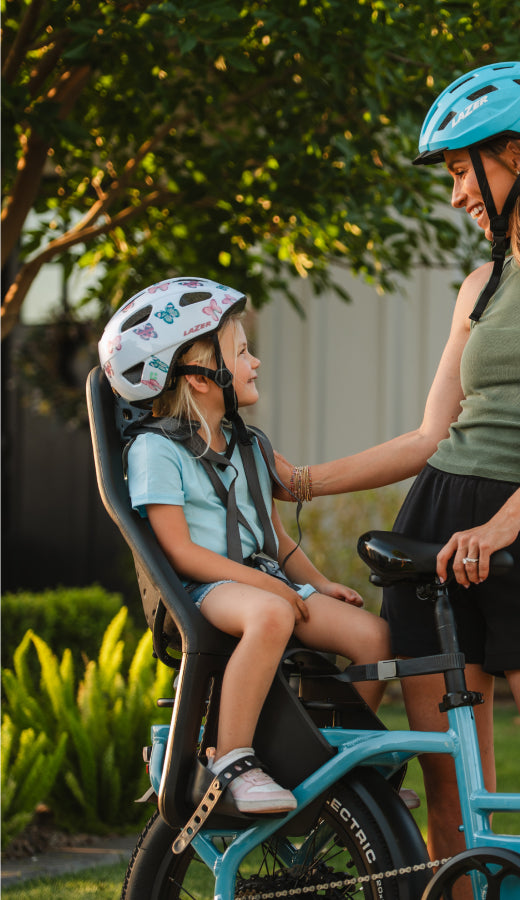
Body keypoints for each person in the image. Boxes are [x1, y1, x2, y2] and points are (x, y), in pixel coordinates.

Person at [284, 61, 520, 897]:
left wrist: (507, 525)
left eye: (461, 168)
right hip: (437, 529)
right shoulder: (480, 284)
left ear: (519, 152)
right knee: (452, 810)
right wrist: (300, 481)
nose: (454, 194)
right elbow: (429, 436)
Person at [98, 277, 391, 815]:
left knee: (374, 637)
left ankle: (336, 767)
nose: (255, 362)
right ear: (198, 377)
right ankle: (231, 758)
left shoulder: (249, 444)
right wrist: (266, 587)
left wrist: (321, 584)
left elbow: (274, 539)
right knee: (271, 614)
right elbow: (179, 553)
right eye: (241, 352)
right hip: (202, 590)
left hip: (264, 587)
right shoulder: (154, 451)